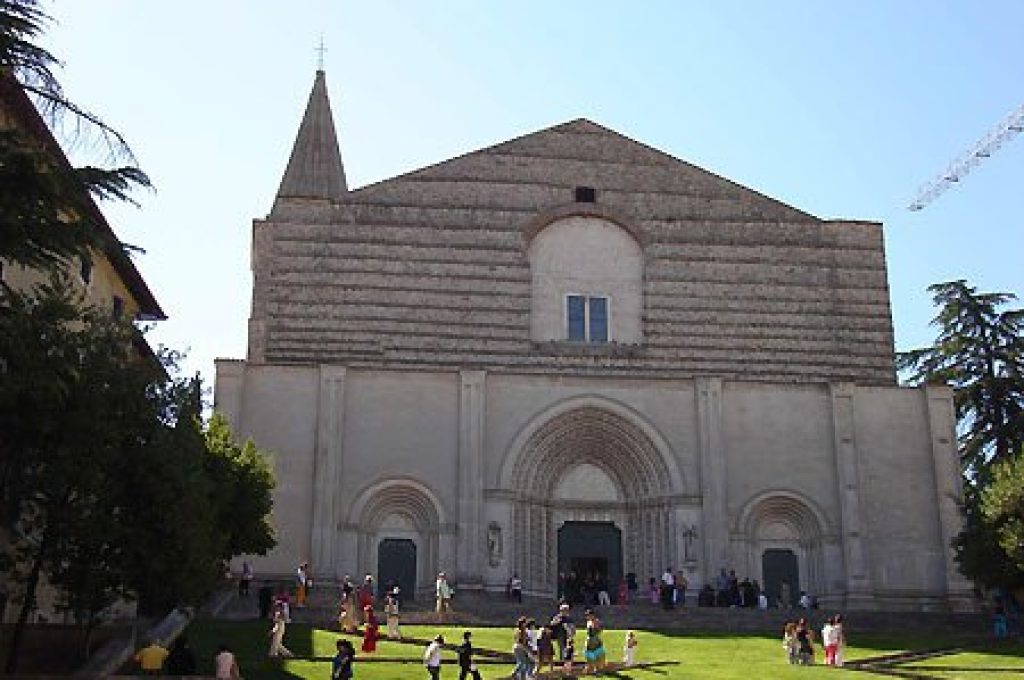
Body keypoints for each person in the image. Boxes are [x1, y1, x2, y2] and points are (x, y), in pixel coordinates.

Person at [583, 609, 606, 674]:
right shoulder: (589, 622)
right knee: (591, 660)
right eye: (587, 616)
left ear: (592, 615)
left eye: (589, 615)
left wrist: (596, 627)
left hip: (596, 641)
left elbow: (599, 630)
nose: (587, 617)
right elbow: (590, 633)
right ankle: (590, 669)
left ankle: (597, 669)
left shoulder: (596, 621)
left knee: (600, 658)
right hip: (590, 642)